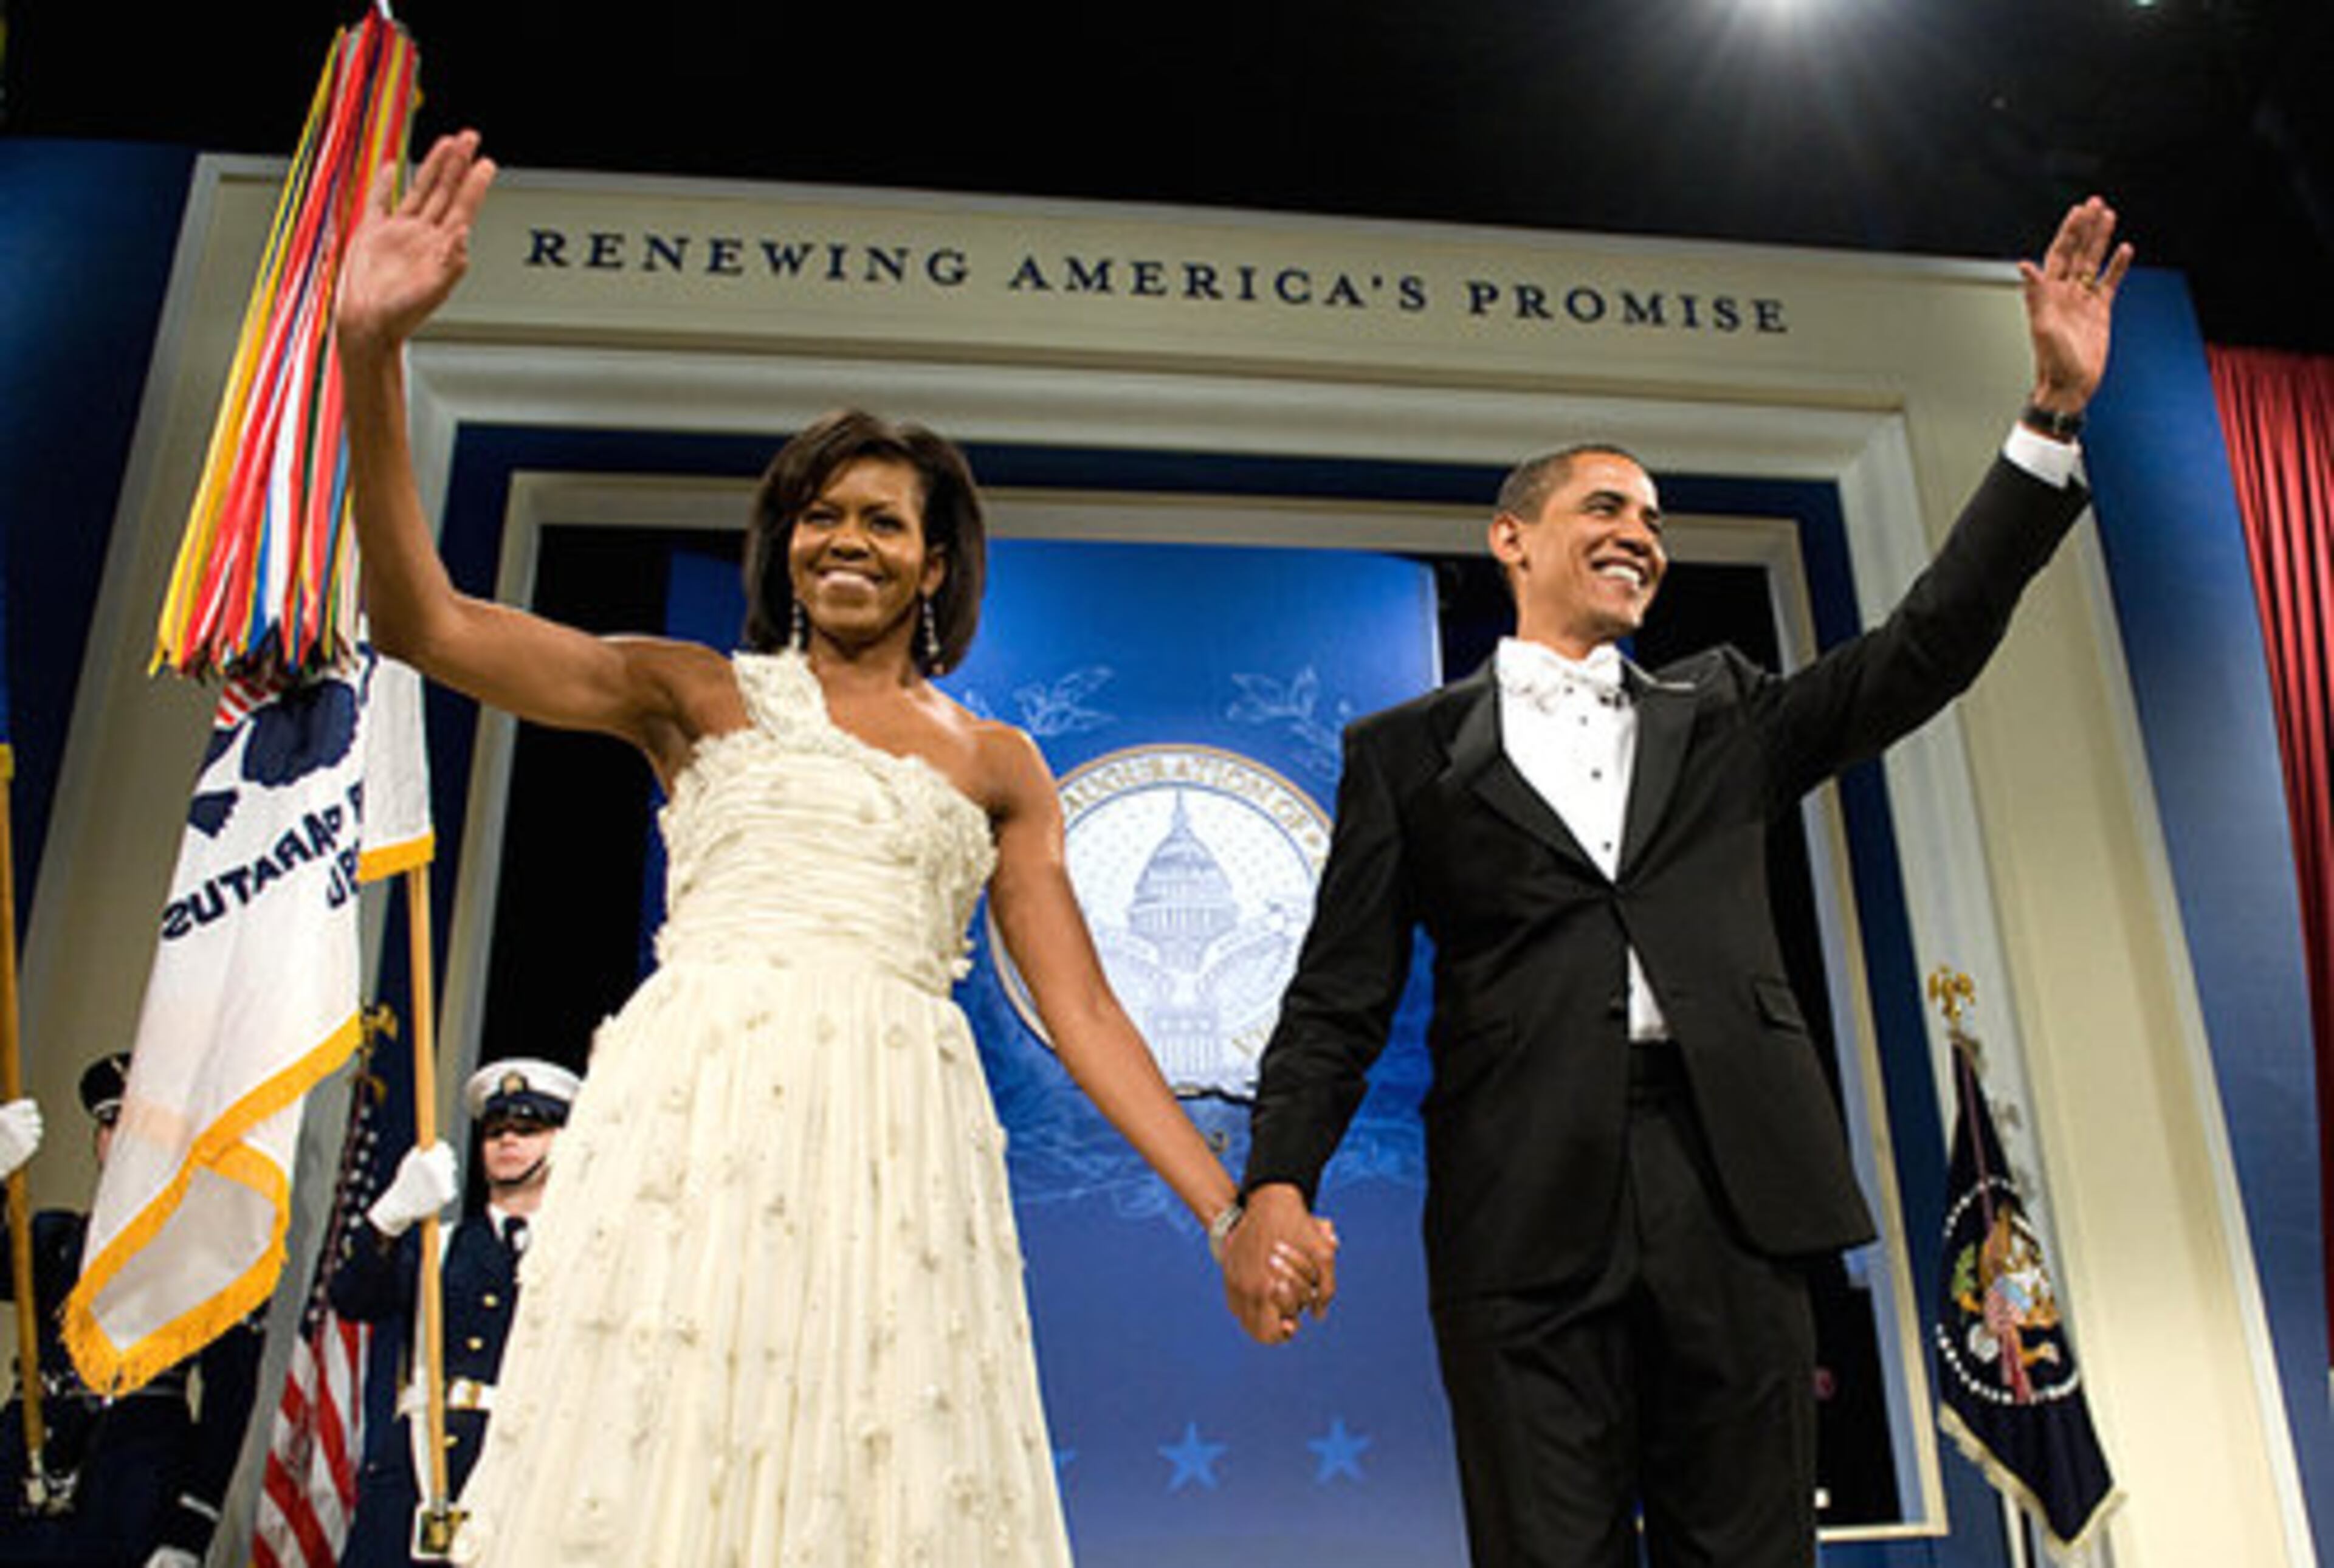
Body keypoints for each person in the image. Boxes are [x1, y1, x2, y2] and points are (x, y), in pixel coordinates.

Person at [332, 131, 1331, 1566]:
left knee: (878, 1469)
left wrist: (1225, 1206)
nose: (840, 539)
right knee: (664, 1441)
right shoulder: (691, 690)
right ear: (783, 542)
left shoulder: (996, 763)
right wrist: (375, 357)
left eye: (880, 519)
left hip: (897, 1135)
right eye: (816, 514)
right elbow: (429, 621)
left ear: (934, 561)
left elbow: (1086, 1009)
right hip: (698, 1108)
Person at [1222, 198, 2132, 1567]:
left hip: (1734, 1186)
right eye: (1606, 506)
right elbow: (1338, 998)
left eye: (1655, 517)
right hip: (1520, 1203)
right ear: (1512, 539)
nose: (1643, 533)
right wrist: (1276, 1181)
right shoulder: (1402, 756)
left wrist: (2049, 418)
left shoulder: (1729, 716)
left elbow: (1928, 646)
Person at [0, 1054, 264, 1568]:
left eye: (142, 1127)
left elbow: (227, 1405)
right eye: (110, 1124)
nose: (121, 1141)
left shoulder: (214, 1263)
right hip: (22, 1475)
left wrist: (190, 1529)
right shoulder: (56, 1240)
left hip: (130, 1486)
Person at [330, 1058, 581, 1567]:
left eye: (529, 1128)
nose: (508, 1140)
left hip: (525, 1479)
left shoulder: (581, 1259)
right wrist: (388, 1218)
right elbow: (353, 1298)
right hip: (416, 1481)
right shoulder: (437, 1246)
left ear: (567, 1141)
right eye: (495, 1130)